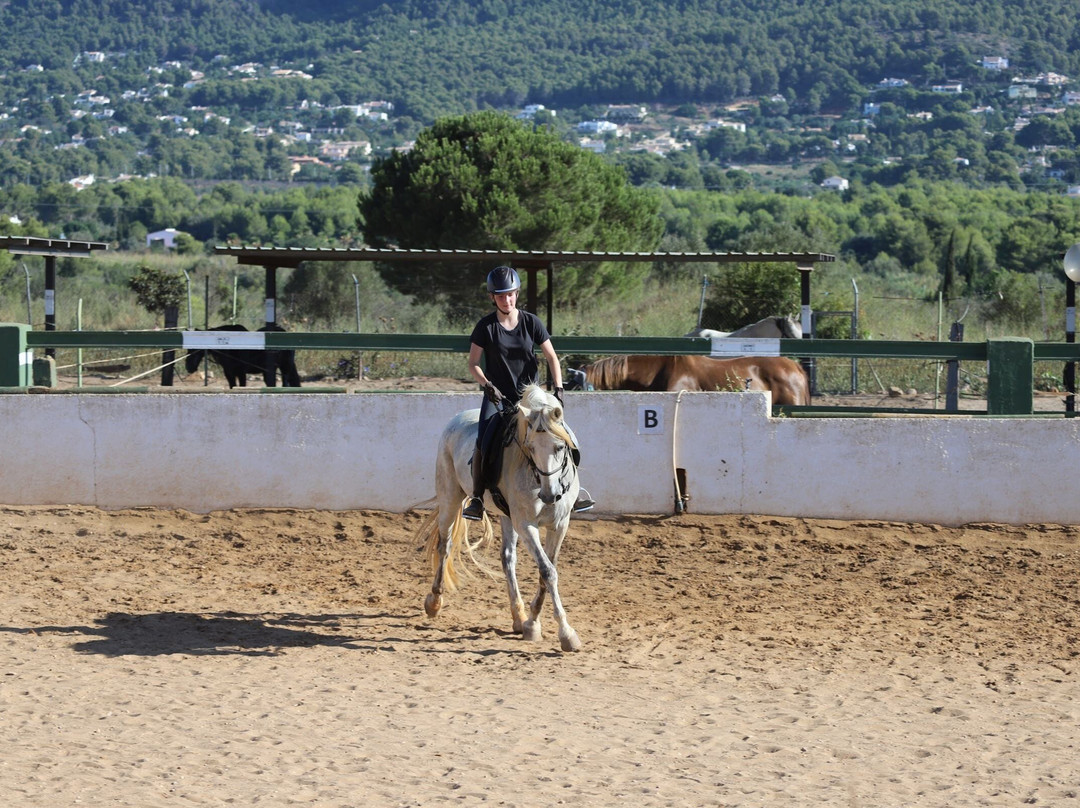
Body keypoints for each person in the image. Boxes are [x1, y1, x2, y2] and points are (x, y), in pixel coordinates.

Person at [462, 265, 594, 521]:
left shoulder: (531, 322)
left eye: (510, 294)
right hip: (498, 397)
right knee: (483, 441)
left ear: (516, 294)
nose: (506, 299)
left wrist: (558, 388)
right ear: (492, 297)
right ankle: (477, 498)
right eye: (501, 295)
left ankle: (574, 491)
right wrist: (488, 386)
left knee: (565, 436)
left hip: (531, 398)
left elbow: (552, 356)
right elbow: (473, 364)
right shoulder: (486, 327)